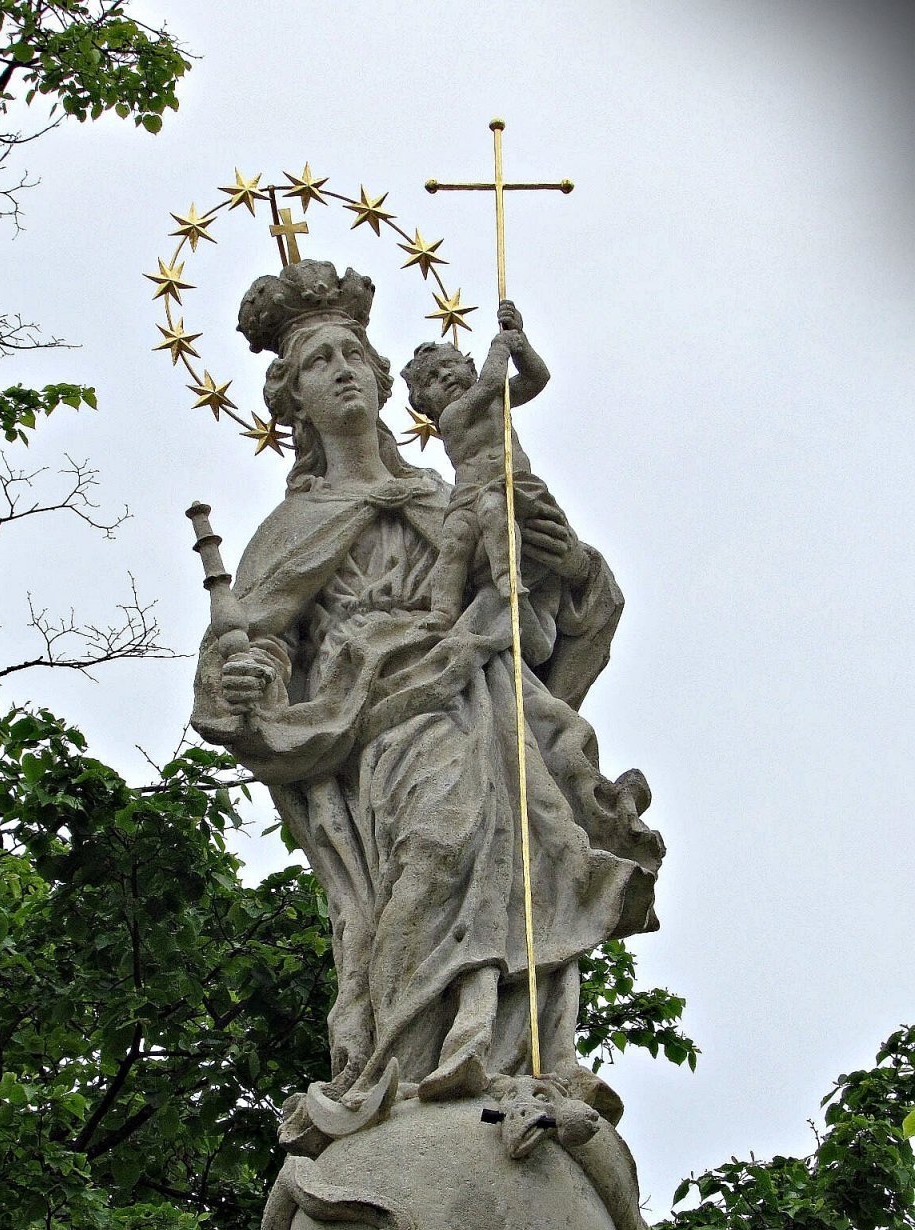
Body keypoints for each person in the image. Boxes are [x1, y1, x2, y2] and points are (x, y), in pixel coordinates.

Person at [192, 260, 663, 1154]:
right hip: (383, 719)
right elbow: (253, 639)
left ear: (377, 377)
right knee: (435, 845)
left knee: (527, 857)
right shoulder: (293, 528)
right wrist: (244, 676)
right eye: (319, 361)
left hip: (486, 699)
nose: (343, 370)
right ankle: (398, 1067)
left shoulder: (445, 495)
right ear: (293, 404)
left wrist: (567, 563)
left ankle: (507, 1053)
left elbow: (548, 614)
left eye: (353, 355)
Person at [401, 302, 551, 623]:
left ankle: (506, 577)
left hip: (509, 483)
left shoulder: (497, 398)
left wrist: (518, 341)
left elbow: (537, 377)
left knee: (494, 509)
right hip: (467, 494)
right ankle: (442, 609)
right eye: (432, 379)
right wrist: (500, 346)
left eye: (448, 366)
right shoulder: (453, 416)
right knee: (454, 539)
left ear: (468, 368)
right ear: (426, 404)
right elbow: (491, 382)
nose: (444, 376)